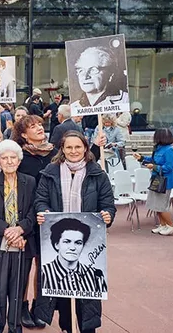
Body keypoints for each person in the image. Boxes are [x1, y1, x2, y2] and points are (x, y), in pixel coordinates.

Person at [33, 130, 116, 333]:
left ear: (86, 148)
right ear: (62, 149)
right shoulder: (50, 173)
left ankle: (88, 329)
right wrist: (43, 212)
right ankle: (67, 328)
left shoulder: (98, 174)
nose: (73, 151)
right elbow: (40, 200)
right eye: (68, 147)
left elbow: (107, 204)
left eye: (78, 147)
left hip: (87, 243)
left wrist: (108, 215)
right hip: (60, 242)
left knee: (87, 292)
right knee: (62, 292)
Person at [0, 140, 37, 333]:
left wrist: (20, 230)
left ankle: (15, 327)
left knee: (17, 290)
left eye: (13, 157)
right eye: (5, 158)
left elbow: (33, 212)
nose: (10, 161)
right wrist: (9, 231)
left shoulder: (30, 182)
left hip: (22, 243)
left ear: (19, 161)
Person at [12, 114, 56, 328]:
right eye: (33, 126)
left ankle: (39, 307)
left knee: (44, 264)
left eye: (40, 124)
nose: (39, 128)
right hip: (27, 217)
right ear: (23, 134)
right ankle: (21, 306)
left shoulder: (54, 153)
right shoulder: (19, 156)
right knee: (25, 264)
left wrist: (95, 146)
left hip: (49, 216)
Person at [41, 218, 107, 293]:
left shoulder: (96, 275)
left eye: (78, 243)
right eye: (67, 242)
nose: (72, 248)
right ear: (56, 245)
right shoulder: (44, 273)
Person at [134, 128, 173, 236]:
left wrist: (154, 167)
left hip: (165, 181)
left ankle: (171, 225)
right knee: (155, 205)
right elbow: (153, 159)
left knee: (161, 205)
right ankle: (163, 224)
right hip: (156, 179)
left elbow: (169, 167)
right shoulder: (158, 148)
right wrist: (142, 158)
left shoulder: (170, 150)